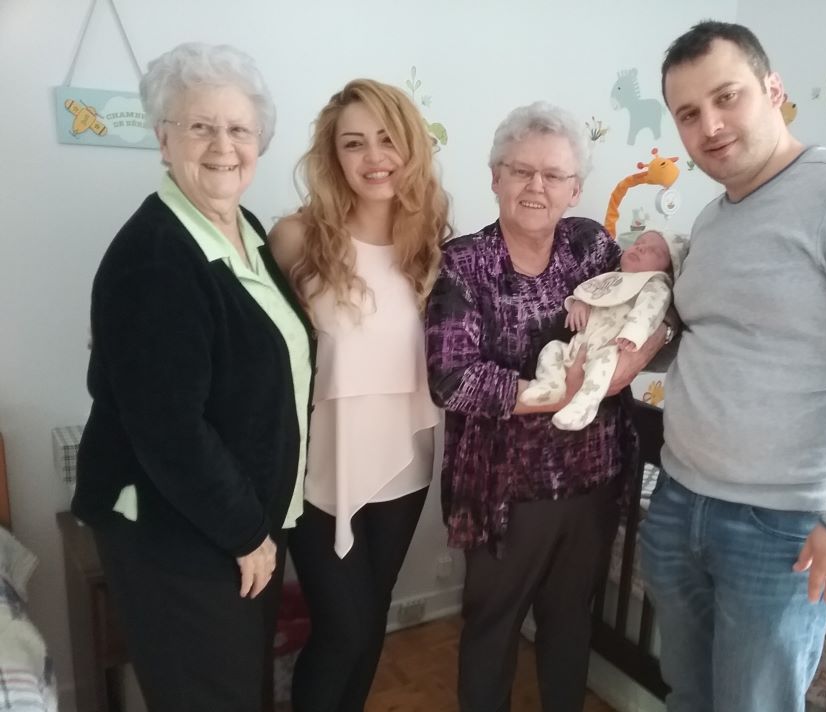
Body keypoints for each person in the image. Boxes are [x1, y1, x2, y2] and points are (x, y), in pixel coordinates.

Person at [638, 21, 826, 712]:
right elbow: (716, 340)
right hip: (681, 499)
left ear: (774, 90)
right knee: (690, 694)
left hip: (784, 526)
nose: (710, 126)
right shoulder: (714, 220)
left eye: (728, 97)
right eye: (689, 113)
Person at [71, 43, 312, 712]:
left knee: (240, 689)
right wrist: (244, 532)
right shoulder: (156, 259)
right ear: (163, 137)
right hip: (179, 530)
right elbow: (170, 430)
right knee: (209, 696)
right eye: (200, 126)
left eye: (238, 128)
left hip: (238, 521)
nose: (222, 145)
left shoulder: (245, 230)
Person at [425, 101, 672, 712]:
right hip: (507, 490)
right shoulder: (463, 262)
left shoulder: (591, 245)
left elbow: (651, 309)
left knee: (570, 622)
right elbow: (452, 379)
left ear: (575, 188)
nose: (536, 186)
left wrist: (632, 362)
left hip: (592, 478)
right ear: (495, 178)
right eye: (520, 170)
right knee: (493, 626)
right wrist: (558, 395)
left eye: (553, 175)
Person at [268, 78, 450, 712]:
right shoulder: (296, 238)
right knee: (342, 630)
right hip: (323, 469)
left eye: (387, 139)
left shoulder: (431, 242)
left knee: (369, 619)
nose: (375, 157)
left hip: (405, 459)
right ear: (332, 154)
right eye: (354, 143)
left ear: (410, 148)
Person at [521, 229, 686, 430]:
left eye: (654, 251)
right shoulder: (613, 277)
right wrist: (580, 304)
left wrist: (634, 334)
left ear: (667, 270)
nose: (641, 247)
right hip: (579, 344)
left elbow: (649, 312)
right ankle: (550, 385)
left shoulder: (655, 285)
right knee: (553, 349)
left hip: (612, 346)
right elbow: (593, 293)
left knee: (601, 366)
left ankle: (583, 406)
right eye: (639, 242)